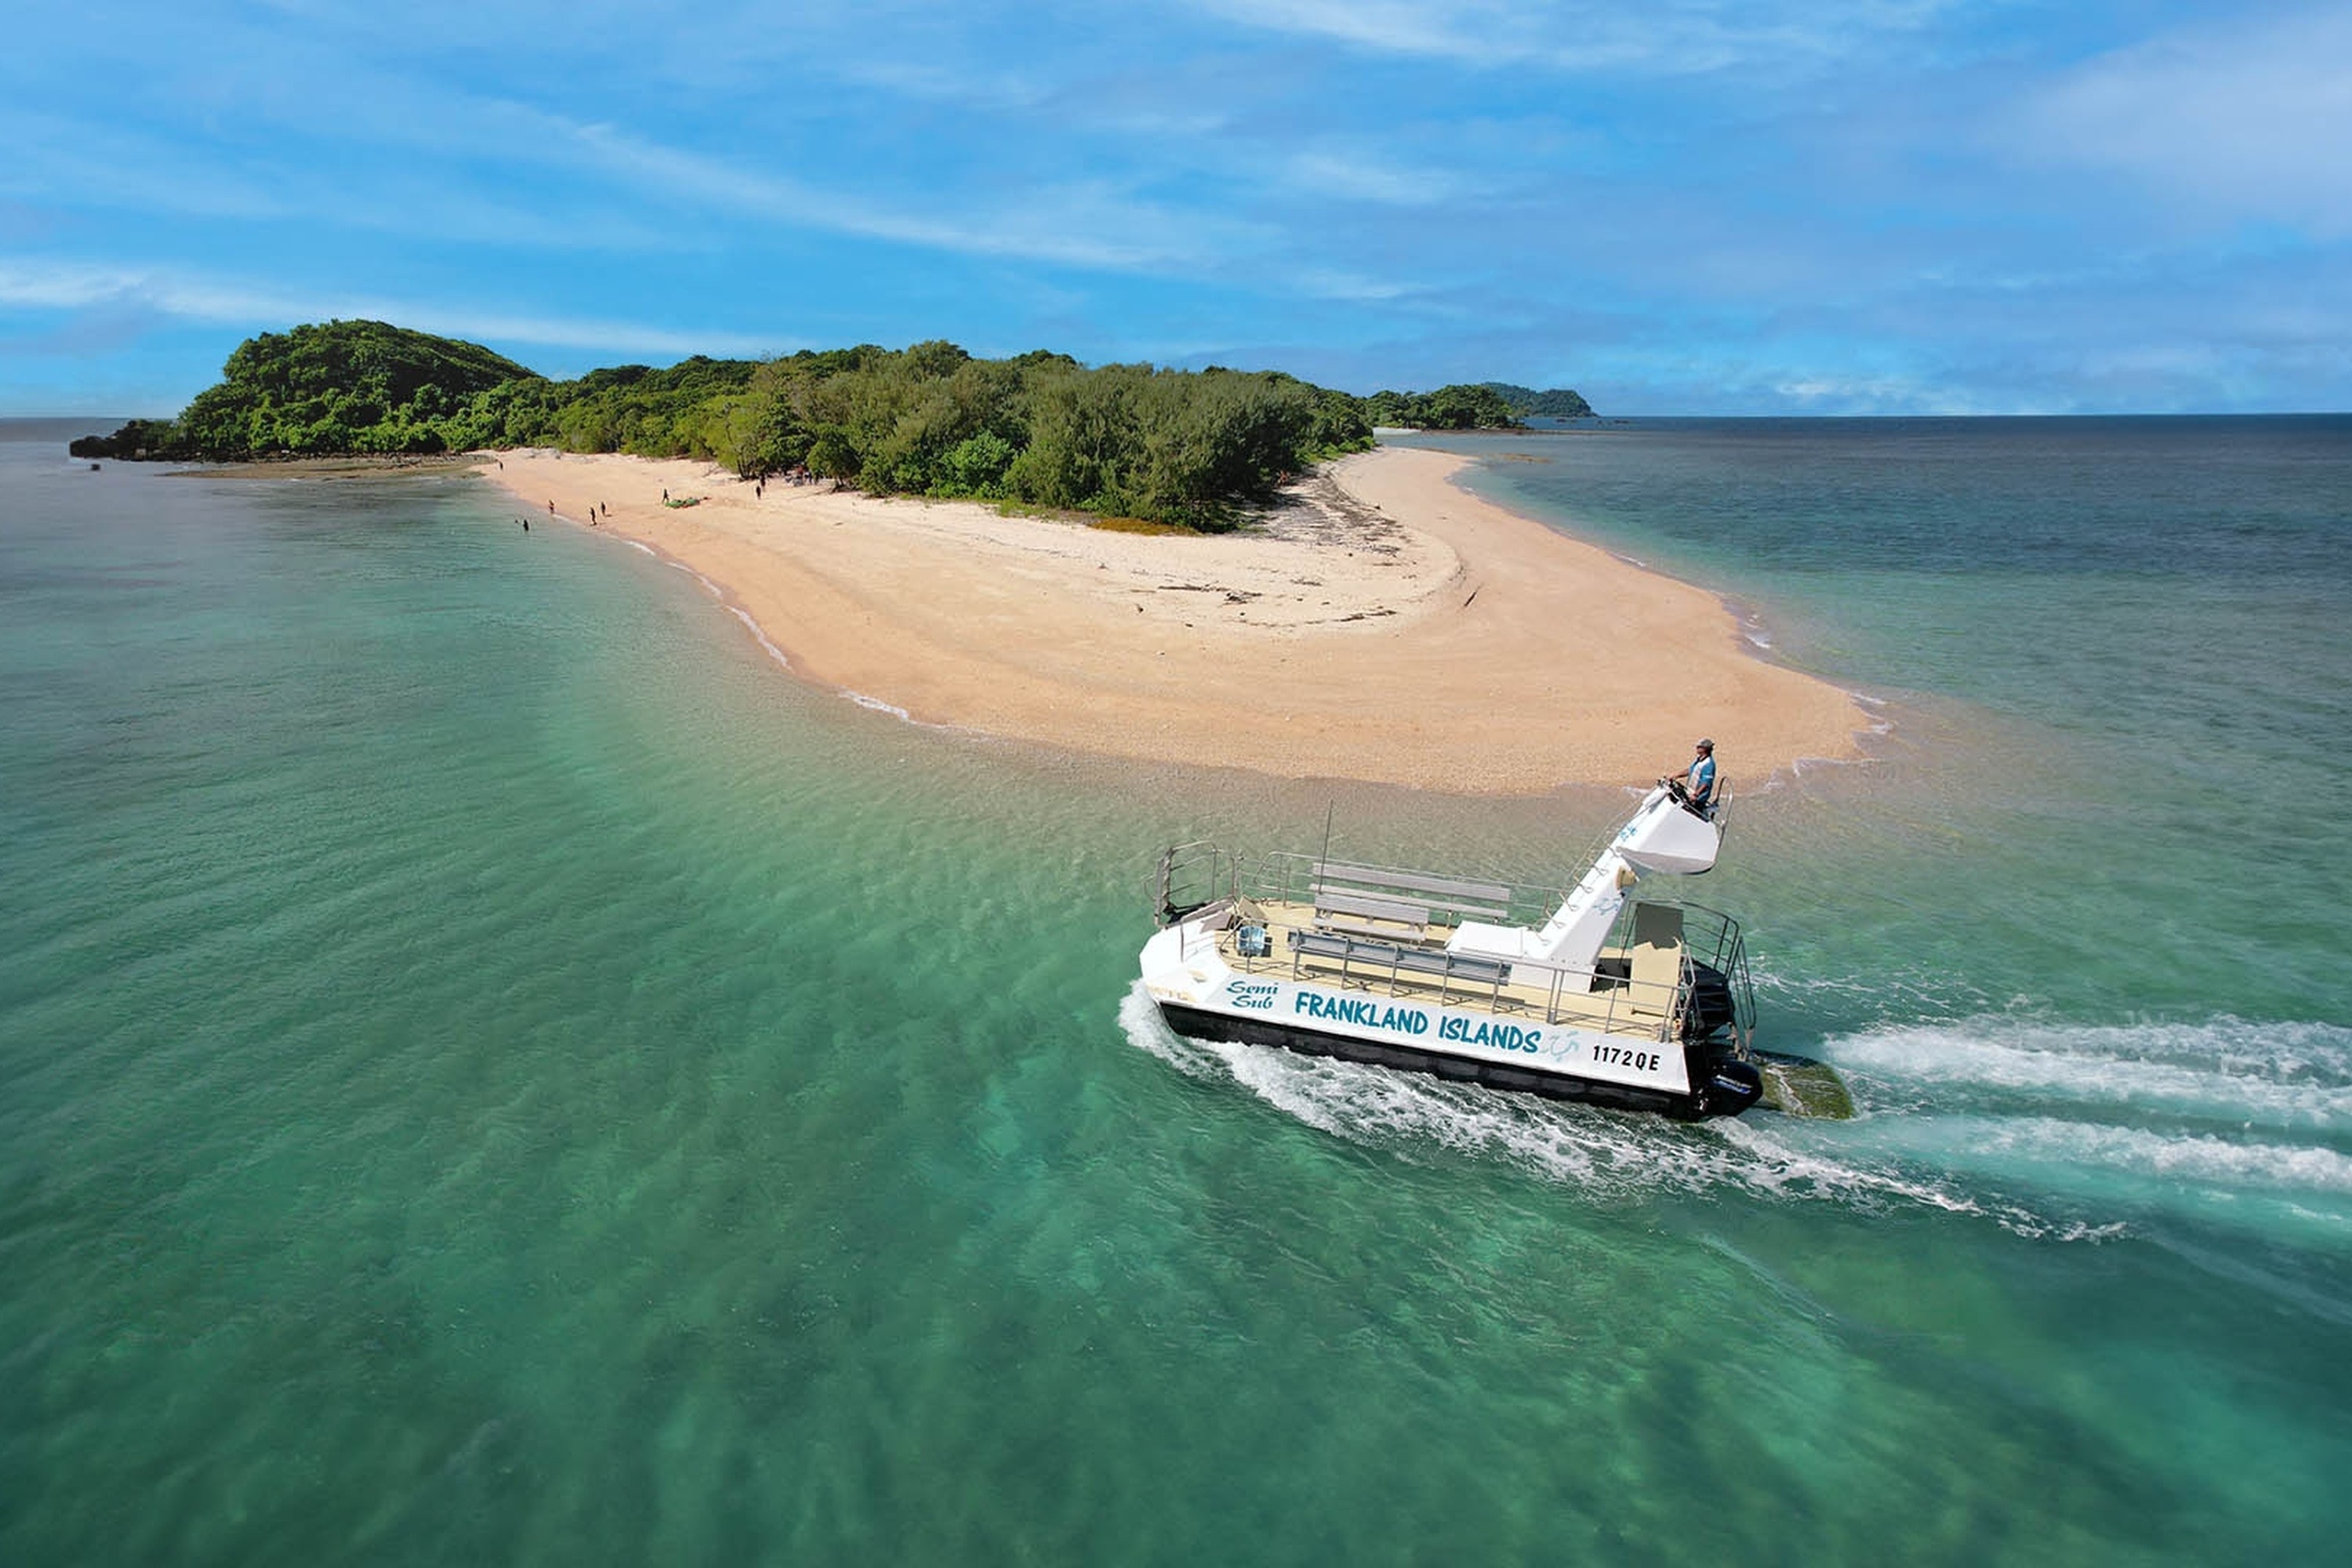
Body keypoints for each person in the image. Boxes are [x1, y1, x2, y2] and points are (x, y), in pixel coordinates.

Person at [1667, 739, 1717, 814]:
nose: (1697, 748)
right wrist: (1676, 775)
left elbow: (1706, 783)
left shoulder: (1709, 764)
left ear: (1705, 749)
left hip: (1697, 798)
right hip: (1689, 792)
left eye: (1699, 747)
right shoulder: (1699, 759)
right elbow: (1690, 770)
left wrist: (1696, 795)